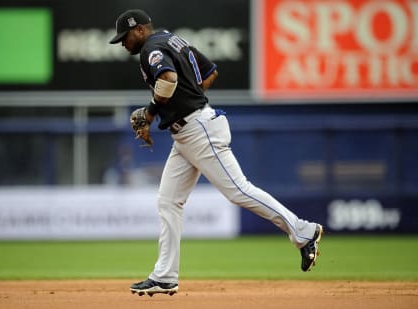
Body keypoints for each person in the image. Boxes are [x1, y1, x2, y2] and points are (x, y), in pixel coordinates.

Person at [109, 9, 323, 297]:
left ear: (139, 30)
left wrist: (149, 113)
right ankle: (164, 276)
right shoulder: (173, 40)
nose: (123, 44)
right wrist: (186, 96)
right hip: (186, 134)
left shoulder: (151, 48)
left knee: (239, 191)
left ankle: (302, 230)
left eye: (125, 37)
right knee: (168, 201)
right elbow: (210, 73)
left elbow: (169, 79)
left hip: (198, 130)